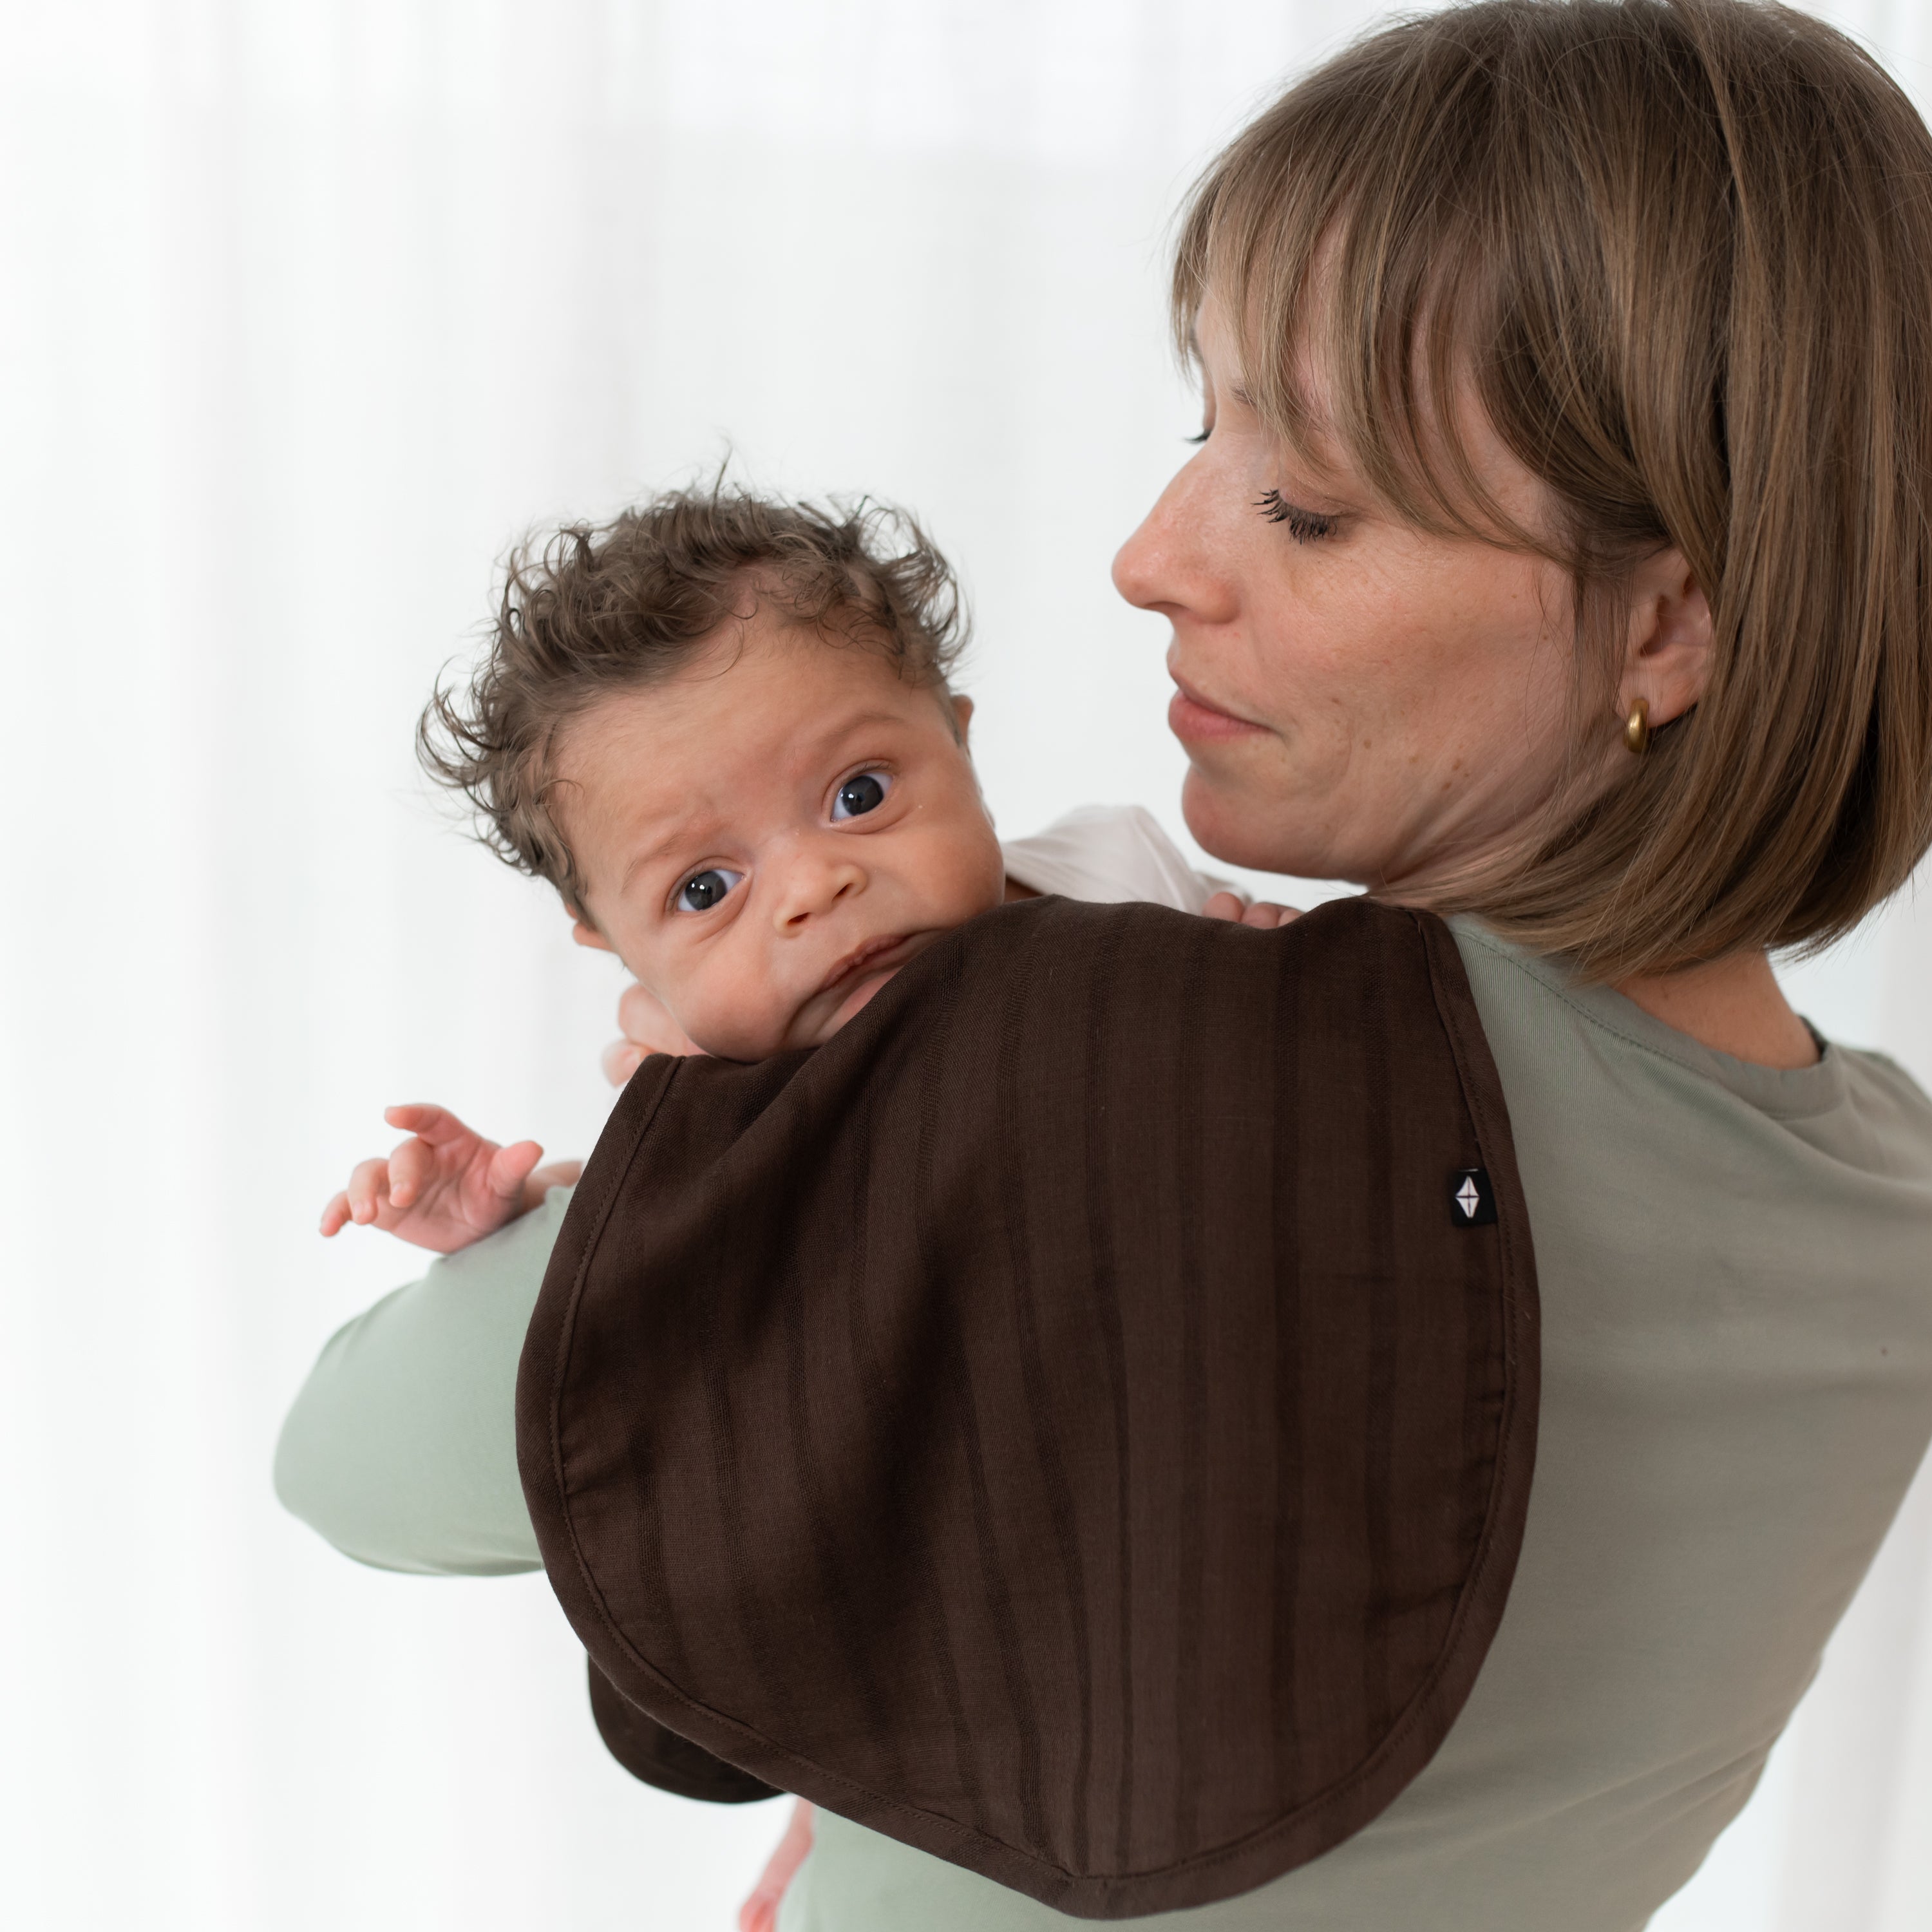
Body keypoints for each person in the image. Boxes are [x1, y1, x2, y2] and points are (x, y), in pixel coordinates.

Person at [276, 3, 1932, 1927]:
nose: (1153, 557)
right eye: (1200, 430)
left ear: (1666, 629)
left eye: (1303, 504)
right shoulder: (1889, 1214)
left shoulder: (1079, 1067)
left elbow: (366, 1464)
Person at [314, 485, 1282, 1250]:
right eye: (705, 890)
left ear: (959, 742)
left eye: (859, 796)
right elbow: (639, 1225)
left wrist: (1269, 970)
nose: (815, 887)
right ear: (614, 946)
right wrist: (510, 1210)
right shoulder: (720, 1083)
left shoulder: (1119, 866)